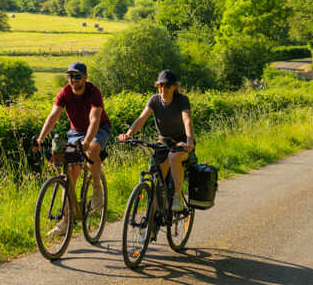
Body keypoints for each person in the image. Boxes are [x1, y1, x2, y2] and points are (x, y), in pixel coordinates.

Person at [34, 61, 111, 237]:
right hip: (76, 132)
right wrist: (40, 138)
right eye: (70, 76)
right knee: (70, 173)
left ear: (85, 78)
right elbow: (52, 117)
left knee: (91, 150)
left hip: (100, 129)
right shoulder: (65, 92)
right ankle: (65, 221)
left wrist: (87, 141)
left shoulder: (93, 92)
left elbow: (95, 120)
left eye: (77, 76)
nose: (73, 79)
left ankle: (97, 190)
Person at [118, 69, 195, 211]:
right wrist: (128, 134)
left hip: (182, 142)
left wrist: (189, 140)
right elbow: (141, 119)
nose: (163, 89)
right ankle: (152, 219)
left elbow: (187, 120)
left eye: (167, 85)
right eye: (160, 85)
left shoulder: (182, 100)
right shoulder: (154, 100)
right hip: (163, 142)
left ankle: (178, 196)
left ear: (175, 87)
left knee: (173, 157)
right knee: (157, 182)